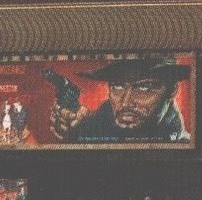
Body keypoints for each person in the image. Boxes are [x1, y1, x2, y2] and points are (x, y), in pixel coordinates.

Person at [49, 57, 191, 142]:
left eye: (144, 88)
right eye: (118, 86)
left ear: (172, 91)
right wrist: (80, 132)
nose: (125, 102)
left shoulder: (183, 142)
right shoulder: (90, 125)